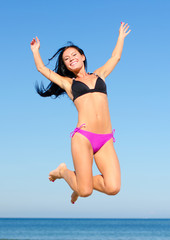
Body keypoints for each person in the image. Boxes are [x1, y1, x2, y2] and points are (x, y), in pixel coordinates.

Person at [30, 22, 131, 204]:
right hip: (83, 137)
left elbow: (115, 57)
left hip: (106, 138)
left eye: (74, 55)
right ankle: (63, 173)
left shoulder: (100, 75)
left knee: (113, 187)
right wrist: (36, 50)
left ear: (83, 57)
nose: (71, 59)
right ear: (66, 66)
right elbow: (42, 69)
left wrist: (121, 38)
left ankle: (78, 183)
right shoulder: (69, 84)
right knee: (85, 192)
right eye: (66, 59)